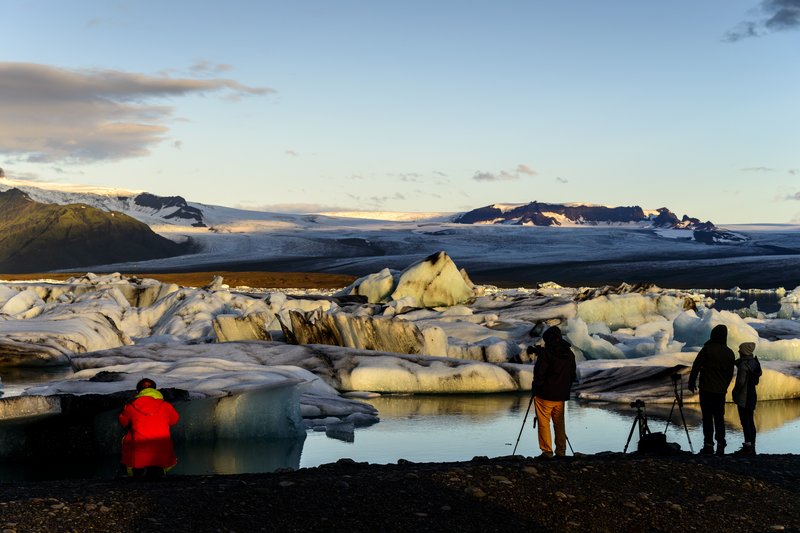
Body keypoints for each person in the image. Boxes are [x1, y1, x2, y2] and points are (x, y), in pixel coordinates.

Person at [530, 326, 577, 459]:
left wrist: (535, 389)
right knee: (559, 423)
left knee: (544, 422)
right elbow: (572, 375)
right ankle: (561, 451)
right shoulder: (569, 354)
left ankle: (547, 451)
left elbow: (539, 375)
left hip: (545, 395)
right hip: (561, 396)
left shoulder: (546, 354)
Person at [688, 325, 735, 456]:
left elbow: (696, 366)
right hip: (720, 391)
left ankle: (708, 445)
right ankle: (721, 443)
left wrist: (692, 382)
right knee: (719, 417)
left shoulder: (707, 349)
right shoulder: (729, 352)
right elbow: (730, 373)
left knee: (707, 417)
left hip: (706, 389)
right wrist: (724, 386)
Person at [119, 378, 179, 478]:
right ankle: (160, 469)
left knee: (127, 438)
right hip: (162, 454)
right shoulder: (166, 406)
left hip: (139, 455)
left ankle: (133, 469)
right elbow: (174, 421)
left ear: (138, 391)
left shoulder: (130, 406)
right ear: (155, 390)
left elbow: (123, 422)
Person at [732, 342, 762, 456]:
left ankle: (747, 447)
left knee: (745, 421)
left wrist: (735, 392)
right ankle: (752, 446)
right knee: (750, 420)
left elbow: (740, 382)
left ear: (744, 351)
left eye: (740, 350)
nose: (739, 351)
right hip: (752, 394)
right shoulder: (754, 363)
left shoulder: (744, 365)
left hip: (744, 396)